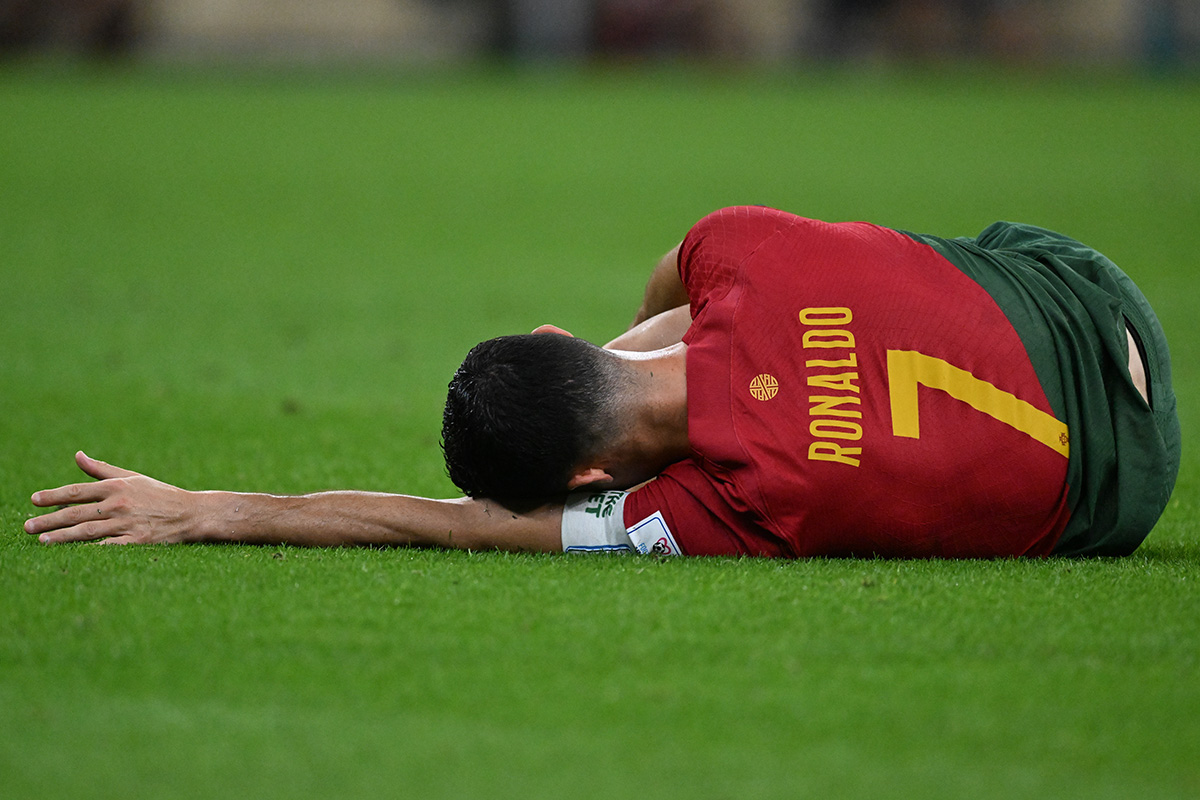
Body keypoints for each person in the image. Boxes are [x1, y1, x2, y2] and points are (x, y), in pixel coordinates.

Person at [25, 206, 1180, 558]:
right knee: (898, 266)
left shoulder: (725, 506)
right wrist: (629, 350)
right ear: (557, 333)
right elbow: (674, 281)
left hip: (1125, 494)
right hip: (1098, 299)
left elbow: (453, 525)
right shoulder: (732, 240)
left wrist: (202, 507)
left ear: (588, 479)